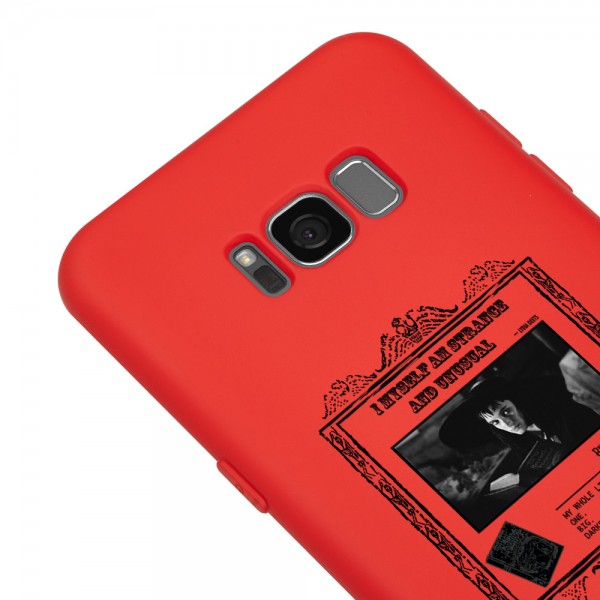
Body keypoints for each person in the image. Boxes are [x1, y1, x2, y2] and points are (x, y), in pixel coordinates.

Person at [438, 375, 600, 460]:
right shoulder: (523, 444)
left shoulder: (569, 417)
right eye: (495, 422)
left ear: (518, 403)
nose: (507, 424)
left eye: (506, 411)